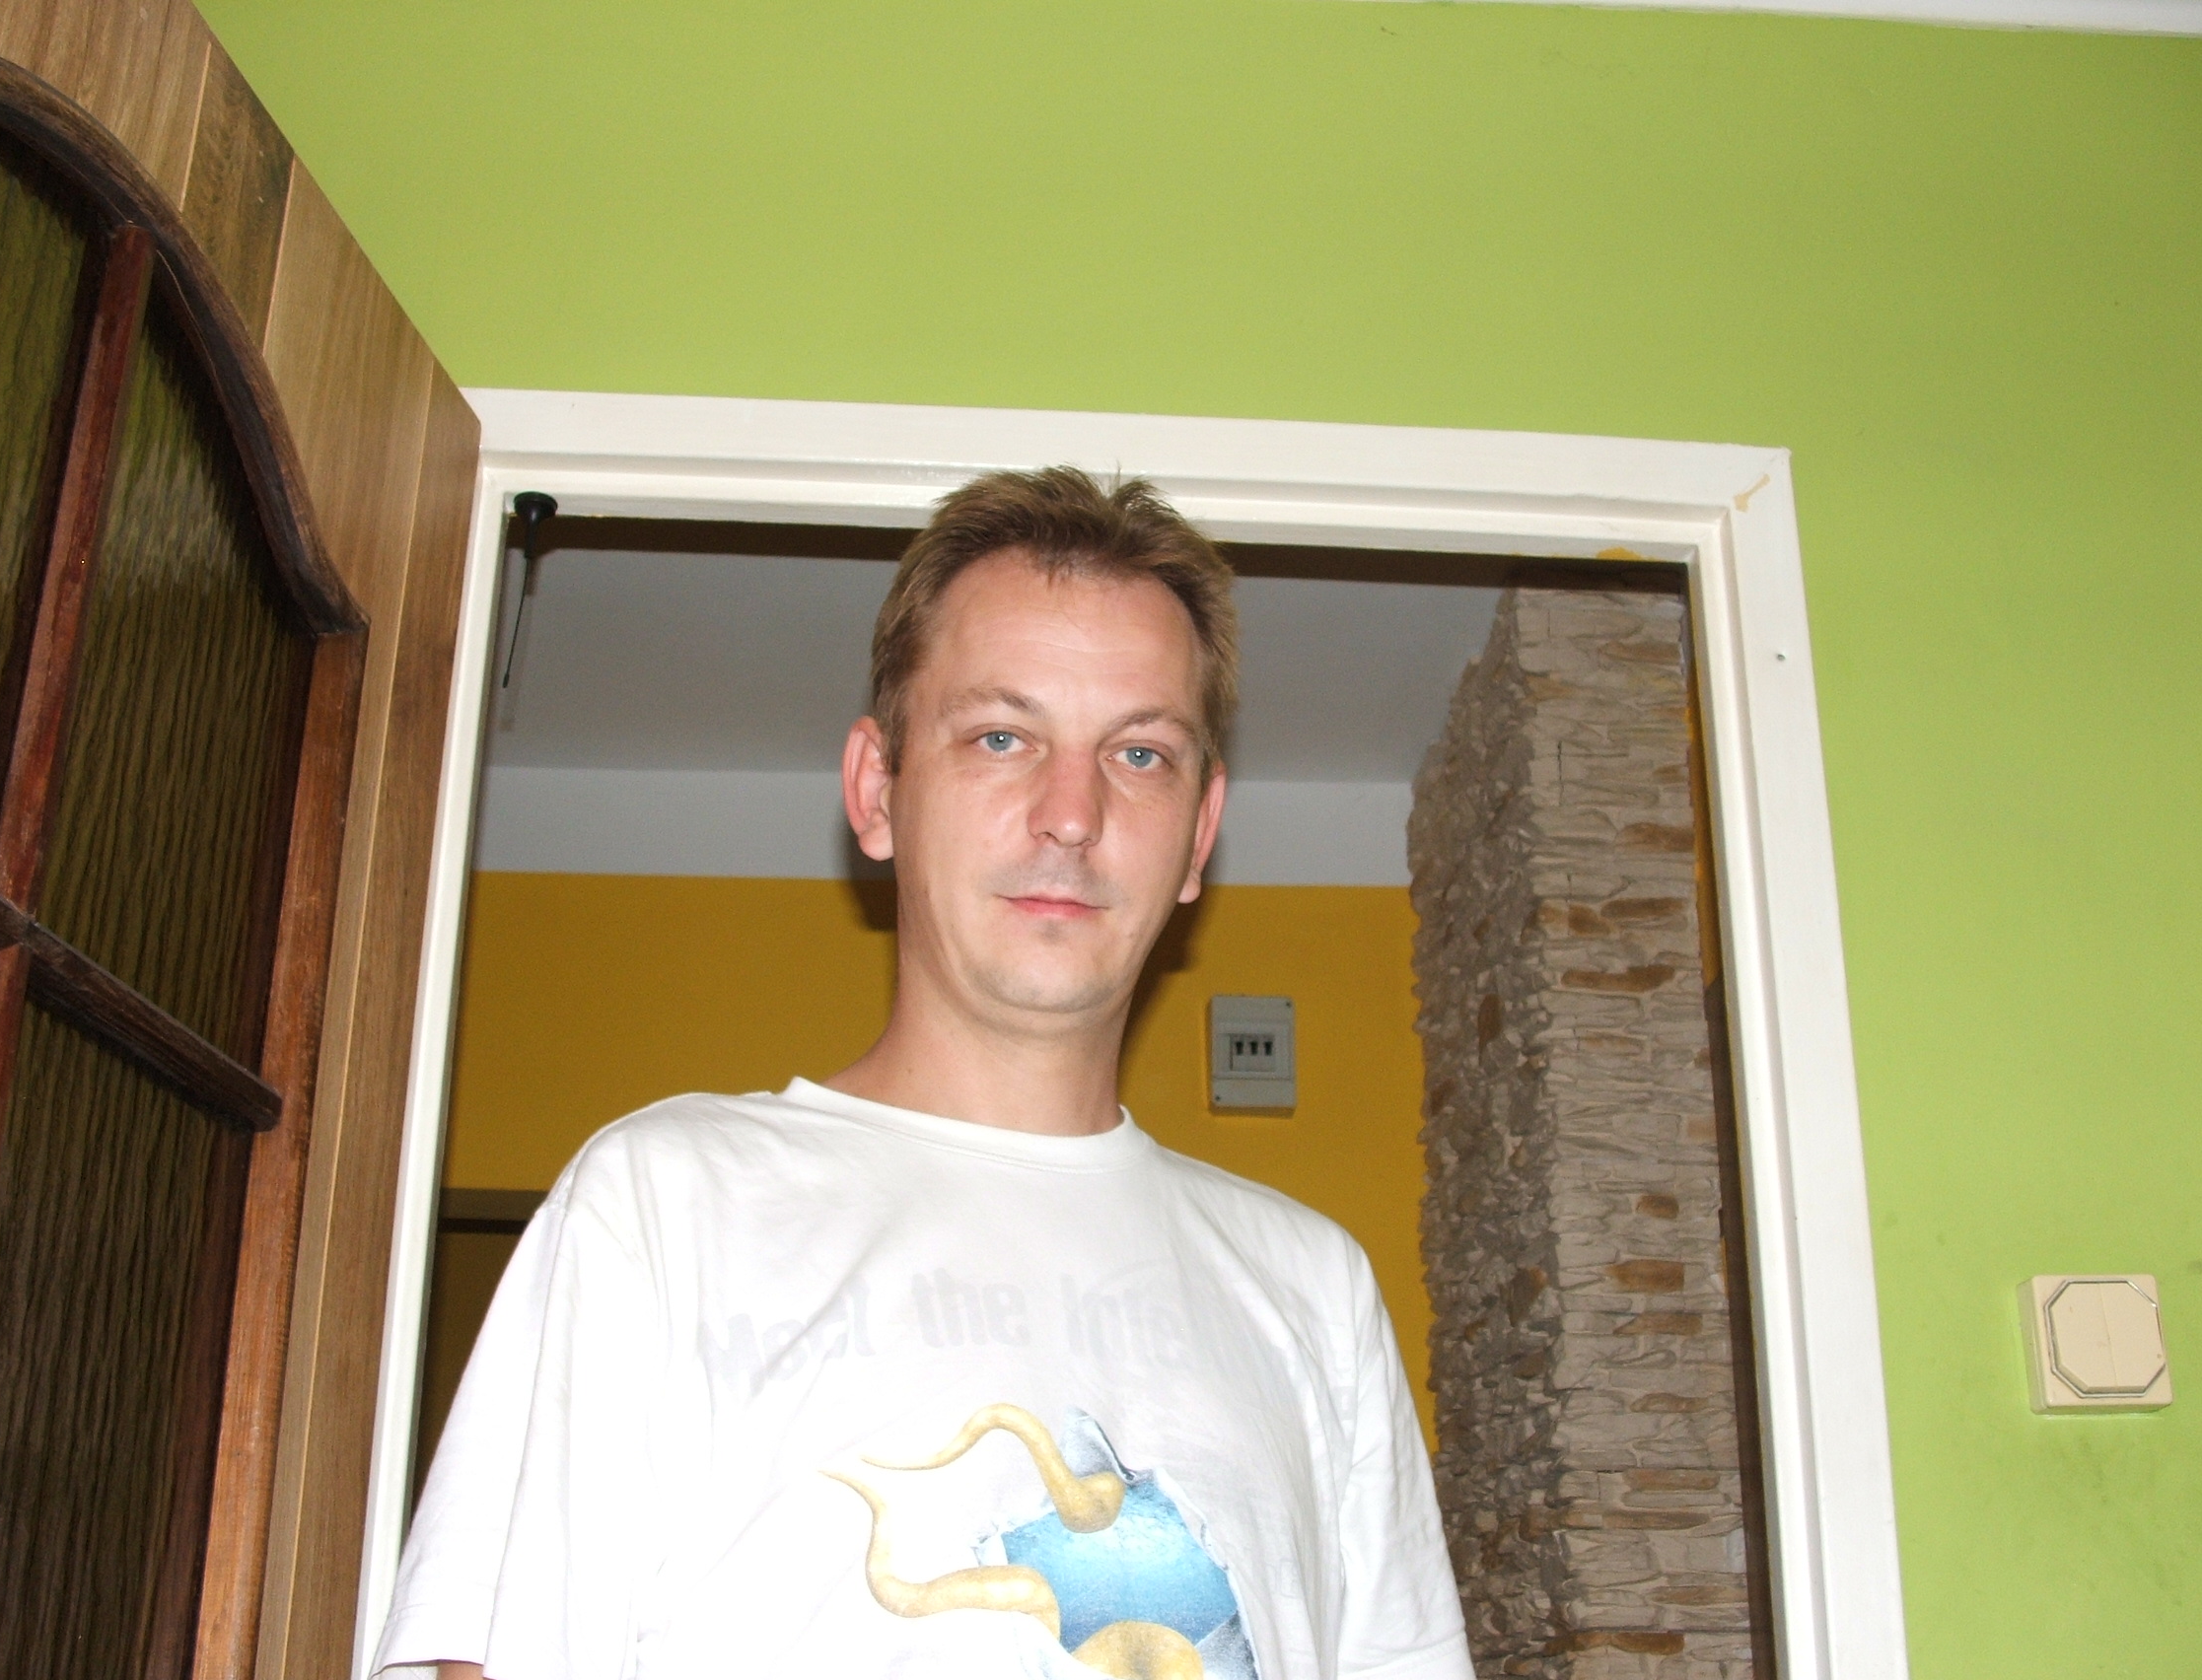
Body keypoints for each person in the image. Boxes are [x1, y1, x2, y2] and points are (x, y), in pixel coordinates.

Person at [376, 467, 1472, 1680]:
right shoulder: (662, 1207)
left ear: (1198, 835)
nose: (1072, 813)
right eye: (1001, 737)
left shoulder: (1312, 1288)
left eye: (1140, 753)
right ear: (877, 789)